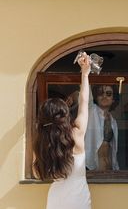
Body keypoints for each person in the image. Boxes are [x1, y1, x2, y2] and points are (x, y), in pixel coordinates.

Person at [33, 52, 91, 209]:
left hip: (55, 201)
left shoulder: (41, 143)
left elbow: (38, 174)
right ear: (65, 115)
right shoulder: (76, 134)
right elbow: (84, 101)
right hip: (79, 201)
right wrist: (85, 73)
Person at [85, 84, 119, 171]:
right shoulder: (91, 111)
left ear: (113, 99)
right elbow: (83, 93)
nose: (104, 96)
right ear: (96, 97)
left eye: (108, 94)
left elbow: (113, 149)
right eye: (100, 93)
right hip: (93, 168)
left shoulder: (113, 122)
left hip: (110, 168)